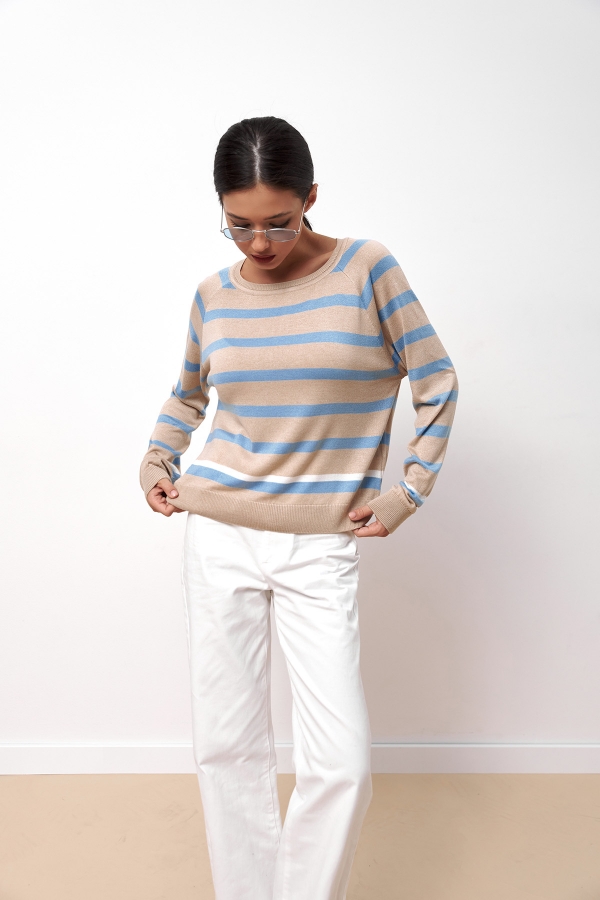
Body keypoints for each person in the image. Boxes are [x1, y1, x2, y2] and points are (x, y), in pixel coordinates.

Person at [139, 116, 458, 900]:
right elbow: (188, 394)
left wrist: (409, 491)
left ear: (311, 198)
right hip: (217, 532)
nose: (259, 242)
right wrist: (157, 460)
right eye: (238, 224)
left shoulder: (366, 269)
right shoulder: (214, 294)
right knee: (226, 746)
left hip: (318, 541)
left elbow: (437, 378)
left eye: (278, 222)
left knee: (340, 762)